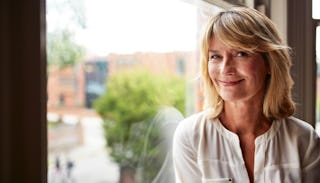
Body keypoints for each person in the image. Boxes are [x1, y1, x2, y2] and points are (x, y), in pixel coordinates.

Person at [172, 6, 320, 183]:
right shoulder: (191, 136)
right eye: (215, 56)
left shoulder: (305, 140)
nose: (225, 68)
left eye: (241, 54)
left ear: (269, 63)